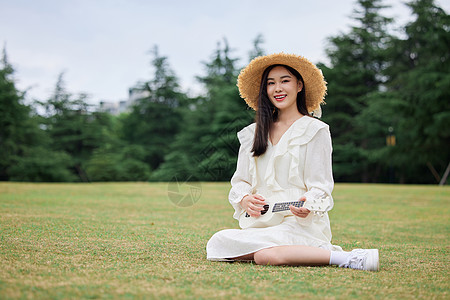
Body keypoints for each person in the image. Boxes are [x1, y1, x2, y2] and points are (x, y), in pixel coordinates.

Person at [206, 53, 379, 271]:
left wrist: (308, 203)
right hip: (261, 226)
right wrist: (244, 200)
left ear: (299, 85)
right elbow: (240, 182)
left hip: (300, 225)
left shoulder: (316, 130)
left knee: (264, 257)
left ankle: (347, 258)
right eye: (271, 83)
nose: (277, 88)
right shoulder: (252, 134)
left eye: (284, 80)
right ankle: (289, 252)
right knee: (218, 241)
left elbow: (321, 187)